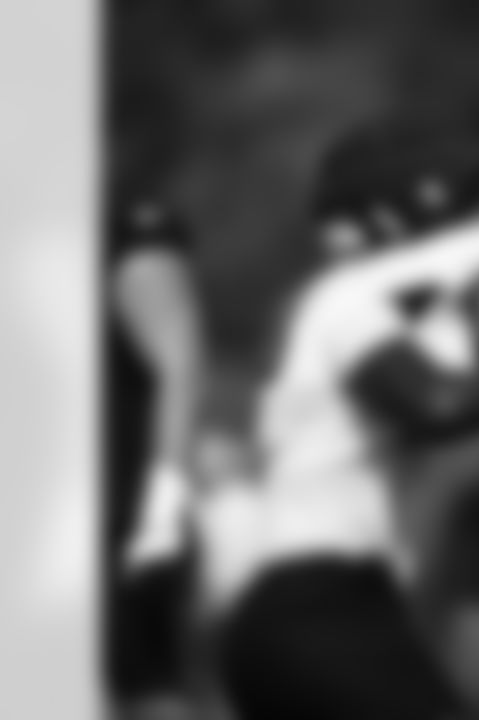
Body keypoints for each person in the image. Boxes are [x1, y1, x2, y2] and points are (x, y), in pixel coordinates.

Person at [211, 121, 479, 720]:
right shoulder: (343, 302)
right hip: (315, 607)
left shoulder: (398, 323)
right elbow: (440, 405)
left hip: (337, 608)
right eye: (477, 209)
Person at [105, 194, 208, 720]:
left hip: (119, 518)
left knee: (147, 690)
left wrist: (164, 511)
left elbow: (179, 370)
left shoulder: (127, 237)